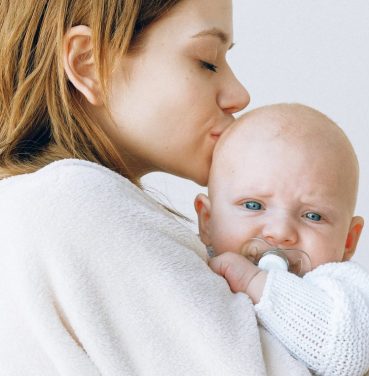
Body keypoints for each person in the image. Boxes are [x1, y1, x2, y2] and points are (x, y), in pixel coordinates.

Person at [0, 0, 313, 374]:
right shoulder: (76, 205)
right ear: (89, 65)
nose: (239, 95)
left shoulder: (31, 205)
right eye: (207, 61)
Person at [195, 103, 369, 376]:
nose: (280, 232)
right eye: (253, 206)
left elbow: (345, 350)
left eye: (313, 216)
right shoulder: (191, 267)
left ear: (348, 241)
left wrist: (255, 283)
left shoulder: (343, 290)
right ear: (207, 221)